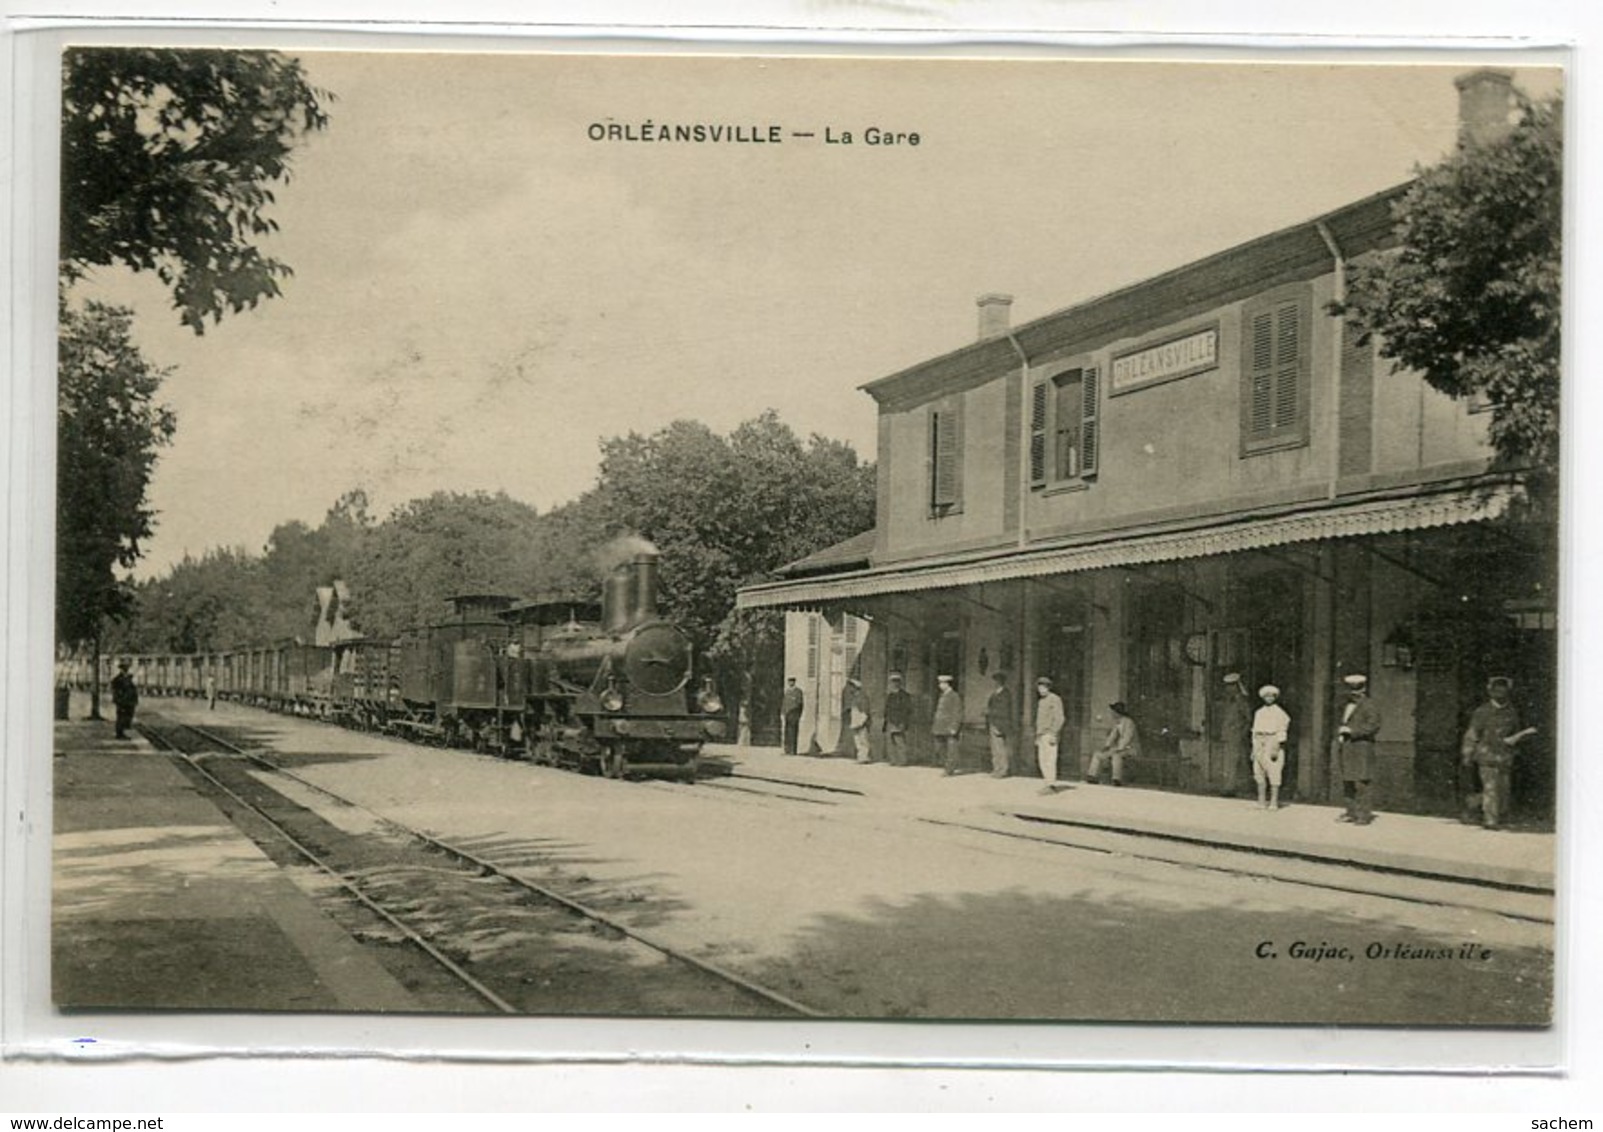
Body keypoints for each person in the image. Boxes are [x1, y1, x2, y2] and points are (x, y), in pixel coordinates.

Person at [1460, 676, 1537, 830]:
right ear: (1490, 692)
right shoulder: (1482, 711)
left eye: (1503, 690)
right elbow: (1473, 734)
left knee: (1502, 789)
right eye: (1496, 690)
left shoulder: (1512, 712)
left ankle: (1476, 806)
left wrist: (1517, 742)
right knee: (1491, 787)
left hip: (1505, 756)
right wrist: (1467, 753)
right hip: (1487, 755)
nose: (1500, 693)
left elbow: (1516, 731)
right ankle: (1490, 820)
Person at [1336, 674, 1382, 825]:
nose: (1354, 693)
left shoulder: (1370, 705)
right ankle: (1351, 812)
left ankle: (1363, 815)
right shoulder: (1345, 705)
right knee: (1347, 781)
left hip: (1362, 748)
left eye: (1357, 689)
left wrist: (1352, 731)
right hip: (1347, 748)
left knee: (1362, 782)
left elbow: (1373, 726)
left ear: (1364, 689)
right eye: (1351, 690)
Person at [1251, 684, 1291, 811]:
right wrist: (1254, 748)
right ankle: (1261, 801)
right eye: (1266, 696)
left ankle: (1274, 802)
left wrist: (1277, 746)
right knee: (1258, 772)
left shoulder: (1279, 713)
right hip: (1259, 741)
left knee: (1274, 771)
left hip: (1272, 740)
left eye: (1271, 696)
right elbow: (1254, 731)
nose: (1269, 698)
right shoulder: (1259, 712)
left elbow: (1282, 730)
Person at [1217, 672, 1252, 797]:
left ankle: (1230, 788)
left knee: (1232, 762)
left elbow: (1248, 719)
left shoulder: (1241, 700)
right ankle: (1232, 786)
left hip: (1236, 735)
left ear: (1236, 686)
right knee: (1230, 762)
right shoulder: (1228, 701)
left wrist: (1242, 734)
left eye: (1231, 686)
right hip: (1227, 735)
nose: (1228, 688)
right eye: (1227, 686)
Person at [1087, 701, 1138, 786]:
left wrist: (1119, 749)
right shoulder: (1117, 722)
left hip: (1130, 748)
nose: (1112, 714)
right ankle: (1092, 775)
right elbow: (1112, 736)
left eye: (1113, 712)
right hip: (1120, 748)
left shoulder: (1129, 722)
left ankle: (1116, 779)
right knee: (1098, 754)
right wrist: (1107, 746)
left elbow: (1127, 738)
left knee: (1116, 756)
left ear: (1118, 712)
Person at [1032, 676, 1065, 794]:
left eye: (1043, 687)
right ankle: (1047, 783)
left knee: (1050, 760)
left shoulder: (1054, 699)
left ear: (1048, 688)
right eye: (1039, 687)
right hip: (1041, 734)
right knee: (1042, 760)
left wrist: (1054, 733)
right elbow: (1039, 720)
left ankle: (1051, 784)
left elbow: (1059, 718)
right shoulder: (1041, 701)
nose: (1041, 690)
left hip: (1049, 734)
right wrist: (1037, 736)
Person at [985, 671, 1016, 778]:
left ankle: (1003, 770)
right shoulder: (994, 694)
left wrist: (990, 712)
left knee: (1001, 748)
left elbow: (1004, 710)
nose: (995, 683)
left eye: (997, 681)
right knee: (995, 748)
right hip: (993, 723)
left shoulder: (1005, 694)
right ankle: (996, 768)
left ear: (1001, 682)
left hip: (1001, 724)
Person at [932, 674, 964, 776]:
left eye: (942, 683)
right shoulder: (942, 695)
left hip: (949, 727)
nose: (940, 685)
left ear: (947, 684)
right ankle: (946, 765)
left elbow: (957, 712)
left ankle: (949, 769)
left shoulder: (954, 696)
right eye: (940, 683)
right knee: (939, 748)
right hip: (940, 727)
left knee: (951, 749)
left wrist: (954, 727)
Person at [882, 673, 913, 766]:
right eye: (892, 682)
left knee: (899, 741)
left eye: (896, 682)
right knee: (890, 742)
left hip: (899, 722)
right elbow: (886, 709)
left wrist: (902, 722)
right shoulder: (890, 696)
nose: (894, 684)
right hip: (890, 721)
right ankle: (893, 760)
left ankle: (902, 761)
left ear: (900, 683)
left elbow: (908, 710)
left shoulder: (904, 696)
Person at [111, 660, 139, 740]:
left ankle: (122, 732)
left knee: (126, 716)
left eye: (126, 668)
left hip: (128, 701)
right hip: (122, 701)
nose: (126, 670)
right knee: (121, 717)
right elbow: (116, 690)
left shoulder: (128, 678)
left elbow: (133, 690)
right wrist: (118, 698)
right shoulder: (118, 679)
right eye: (124, 669)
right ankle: (120, 733)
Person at [846, 677, 872, 763]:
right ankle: (861, 757)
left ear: (856, 687)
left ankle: (865, 757)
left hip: (861, 722)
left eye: (851, 687)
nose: (850, 689)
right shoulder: (855, 697)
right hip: (855, 721)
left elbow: (865, 711)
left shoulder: (862, 697)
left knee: (863, 739)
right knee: (857, 740)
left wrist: (862, 722)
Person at [780, 677, 804, 756]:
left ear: (794, 682)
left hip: (794, 715)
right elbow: (784, 703)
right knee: (787, 733)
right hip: (787, 715)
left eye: (792, 681)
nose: (790, 683)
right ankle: (787, 750)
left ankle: (793, 751)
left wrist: (798, 715)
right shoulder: (787, 692)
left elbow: (800, 704)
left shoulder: (798, 692)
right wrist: (783, 713)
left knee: (793, 733)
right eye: (789, 682)